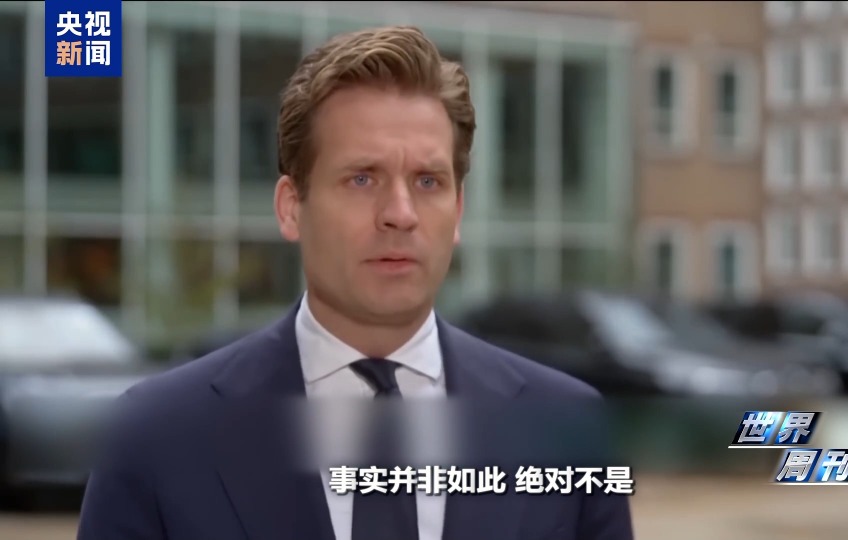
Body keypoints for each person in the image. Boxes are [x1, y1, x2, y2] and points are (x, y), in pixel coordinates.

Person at [76, 25, 634, 540]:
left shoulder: (568, 430)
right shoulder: (157, 436)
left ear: (459, 210)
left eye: (428, 181)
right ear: (291, 207)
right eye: (363, 178)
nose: (400, 213)